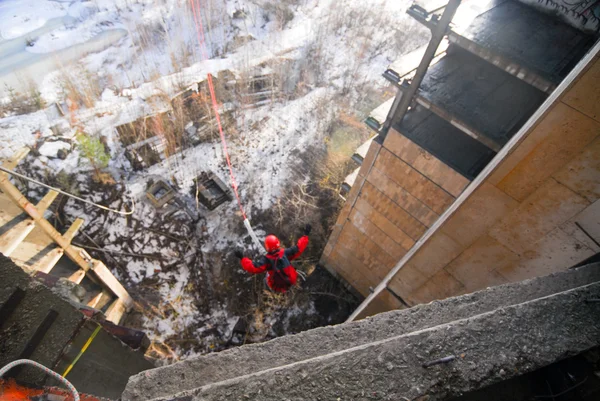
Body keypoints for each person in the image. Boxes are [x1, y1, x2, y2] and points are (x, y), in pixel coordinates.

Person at [234, 224, 311, 293]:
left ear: (267, 247)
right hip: (292, 280)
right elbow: (299, 248)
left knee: (267, 276)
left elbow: (252, 267)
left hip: (278, 287)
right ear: (278, 243)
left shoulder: (266, 260)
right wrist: (306, 235)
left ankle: (273, 292)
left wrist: (242, 258)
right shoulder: (285, 253)